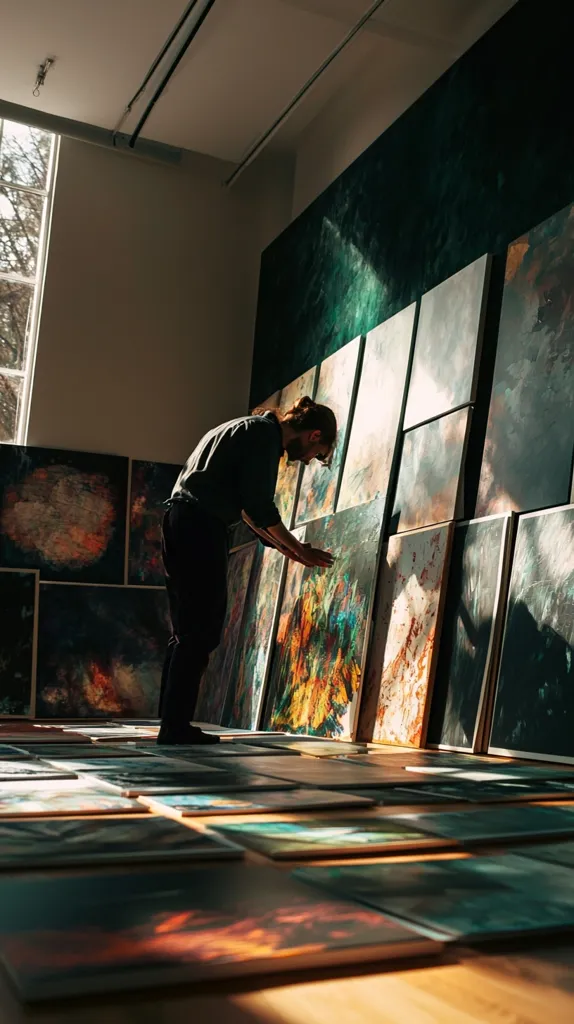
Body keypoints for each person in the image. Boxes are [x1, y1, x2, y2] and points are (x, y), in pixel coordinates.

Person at [158, 396, 337, 745]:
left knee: (186, 631)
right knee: (201, 632)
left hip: (181, 522)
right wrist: (298, 548)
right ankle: (174, 728)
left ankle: (170, 723)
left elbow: (246, 512)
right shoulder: (263, 437)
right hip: (198, 528)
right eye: (315, 454)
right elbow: (258, 508)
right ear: (314, 435)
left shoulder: (244, 427)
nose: (306, 461)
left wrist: (288, 550)